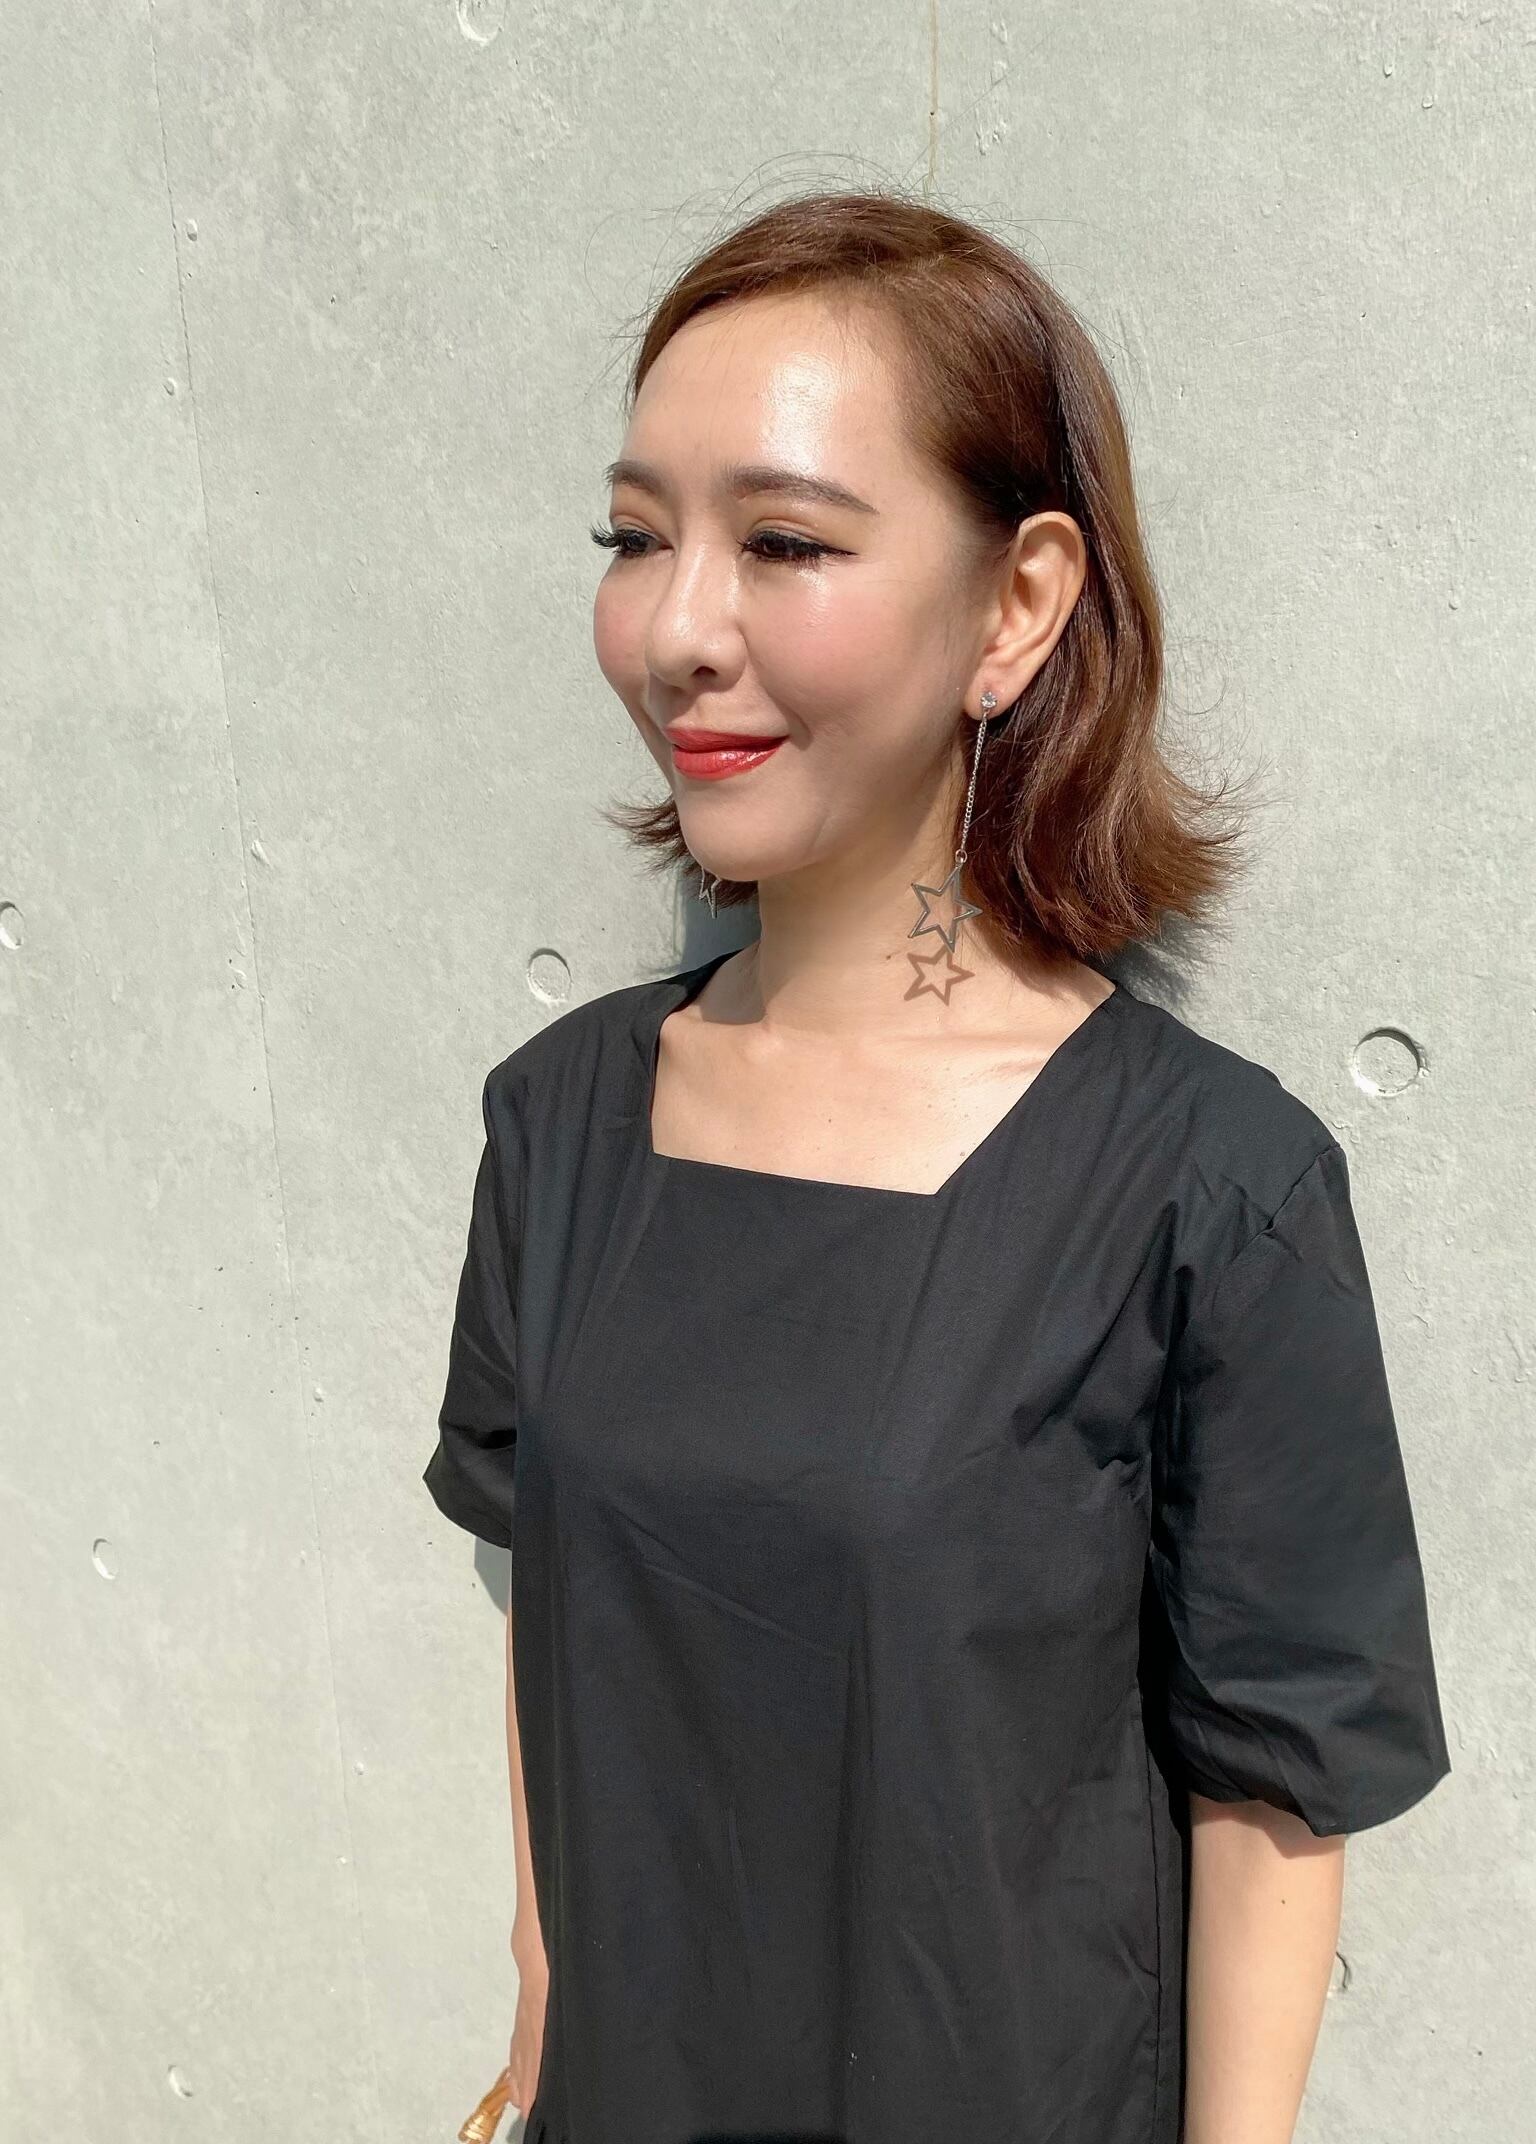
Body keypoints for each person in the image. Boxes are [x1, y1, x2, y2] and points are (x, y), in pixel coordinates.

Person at [423, 186, 1451, 2144]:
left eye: (784, 542)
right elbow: (555, 1605)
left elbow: (1270, 1785)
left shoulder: (1203, 1188)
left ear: (1016, 607)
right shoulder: (557, 1123)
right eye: (635, 537)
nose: (677, 628)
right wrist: (544, 2001)